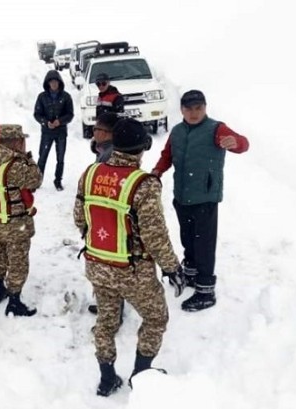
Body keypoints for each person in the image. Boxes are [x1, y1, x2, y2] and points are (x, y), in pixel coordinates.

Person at [74, 118, 185, 396]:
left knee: (106, 322)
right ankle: (141, 375)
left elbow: (80, 218)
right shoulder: (143, 184)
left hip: (97, 263)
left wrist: (102, 242)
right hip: (132, 271)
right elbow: (154, 234)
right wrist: (171, 267)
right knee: (156, 319)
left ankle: (107, 377)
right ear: (141, 149)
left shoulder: (90, 173)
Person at [151, 90, 250, 312]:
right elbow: (168, 155)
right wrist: (157, 170)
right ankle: (191, 274)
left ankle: (206, 291)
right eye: (189, 108)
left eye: (198, 108)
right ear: (181, 110)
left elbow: (244, 144)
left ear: (205, 108)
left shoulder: (216, 129)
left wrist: (236, 142)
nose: (194, 113)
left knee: (204, 244)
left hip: (205, 198)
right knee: (187, 238)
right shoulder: (176, 131)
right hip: (182, 196)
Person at [0, 124, 43, 317]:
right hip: (15, 224)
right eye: (22, 140)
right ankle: (14, 301)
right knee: (18, 262)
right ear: (16, 141)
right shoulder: (14, 165)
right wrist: (27, 158)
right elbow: (36, 179)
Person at [87, 112, 119, 316]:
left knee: (110, 266)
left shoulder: (109, 156)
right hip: (107, 218)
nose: (94, 133)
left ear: (108, 134)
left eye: (97, 130)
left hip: (108, 218)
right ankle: (109, 306)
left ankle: (112, 312)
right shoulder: (106, 151)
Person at [34, 70, 74, 191]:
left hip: (61, 132)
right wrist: (46, 122)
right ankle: (37, 181)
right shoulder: (42, 97)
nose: (54, 84)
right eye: (51, 82)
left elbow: (70, 114)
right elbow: (37, 114)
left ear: (59, 82)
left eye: (56, 82)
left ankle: (58, 180)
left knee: (60, 158)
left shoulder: (66, 97)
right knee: (42, 157)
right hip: (47, 132)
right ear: (48, 83)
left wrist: (60, 121)